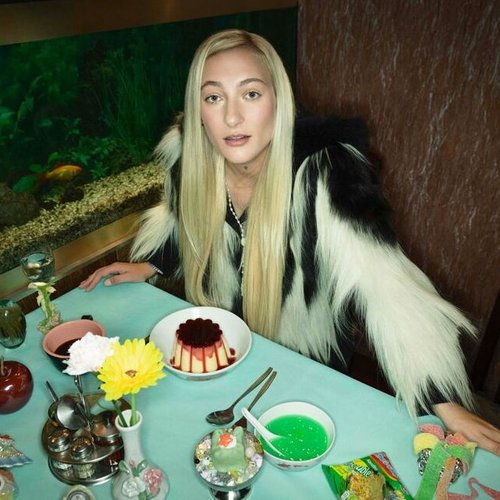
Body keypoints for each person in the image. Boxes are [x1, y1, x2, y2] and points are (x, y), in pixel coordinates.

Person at [80, 29, 500, 455]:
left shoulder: (327, 174)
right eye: (214, 97)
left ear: (279, 101)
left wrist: (443, 401)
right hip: (222, 352)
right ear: (198, 109)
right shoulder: (189, 156)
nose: (231, 118)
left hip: (305, 364)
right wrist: (152, 263)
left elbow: (385, 287)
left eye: (250, 94)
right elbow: (182, 220)